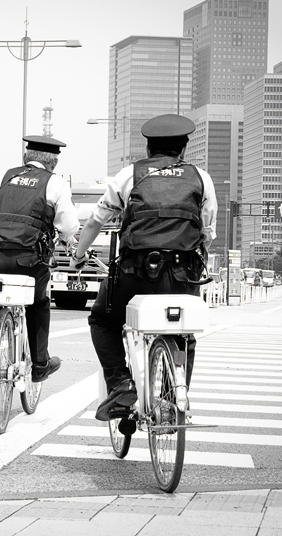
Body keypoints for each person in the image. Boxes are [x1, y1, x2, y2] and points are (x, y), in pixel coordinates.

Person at [69, 114, 217, 450]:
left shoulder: (129, 175)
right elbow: (207, 233)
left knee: (102, 320)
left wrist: (79, 254)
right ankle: (172, 400)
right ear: (183, 148)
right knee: (183, 334)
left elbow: (96, 221)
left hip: (136, 274)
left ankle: (121, 384)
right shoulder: (201, 179)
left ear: (148, 147)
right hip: (182, 275)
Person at [0, 135, 80, 389]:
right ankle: (39, 365)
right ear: (54, 163)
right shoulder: (55, 183)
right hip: (29, 262)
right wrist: (68, 240)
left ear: (25, 158)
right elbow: (69, 226)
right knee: (39, 304)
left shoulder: (3, 176)